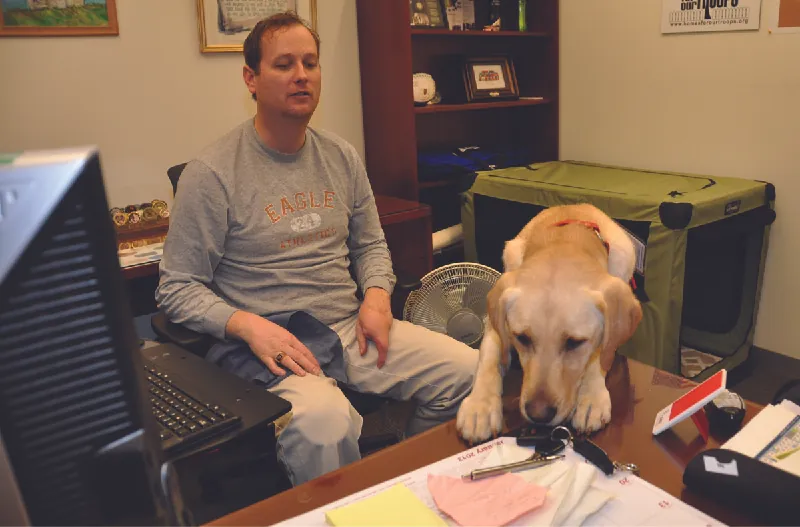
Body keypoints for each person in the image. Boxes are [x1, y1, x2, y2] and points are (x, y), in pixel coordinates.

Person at [155, 11, 479, 486]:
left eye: (311, 62)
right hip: (272, 348)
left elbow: (370, 244)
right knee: (326, 424)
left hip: (350, 330)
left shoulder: (341, 156)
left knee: (468, 370)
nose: (301, 75)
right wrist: (248, 326)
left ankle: (409, 486)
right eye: (284, 64)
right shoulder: (213, 174)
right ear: (251, 77)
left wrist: (375, 297)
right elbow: (176, 288)